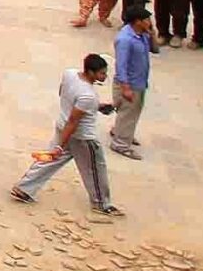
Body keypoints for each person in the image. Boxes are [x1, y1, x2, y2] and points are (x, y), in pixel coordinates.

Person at [10, 54, 121, 215]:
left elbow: (64, 93)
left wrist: (95, 107)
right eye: (102, 73)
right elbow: (74, 121)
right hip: (82, 137)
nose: (104, 76)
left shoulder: (70, 74)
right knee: (95, 169)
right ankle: (101, 203)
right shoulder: (88, 95)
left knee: (49, 160)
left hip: (63, 127)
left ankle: (24, 188)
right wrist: (60, 147)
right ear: (91, 72)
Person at [109, 14, 154, 159]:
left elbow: (155, 50)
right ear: (137, 21)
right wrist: (125, 87)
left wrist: (153, 34)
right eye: (146, 20)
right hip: (130, 83)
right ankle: (121, 144)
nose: (149, 22)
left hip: (140, 81)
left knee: (132, 112)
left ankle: (121, 131)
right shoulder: (125, 40)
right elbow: (121, 65)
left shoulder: (143, 35)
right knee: (128, 112)